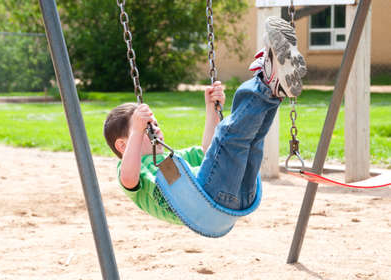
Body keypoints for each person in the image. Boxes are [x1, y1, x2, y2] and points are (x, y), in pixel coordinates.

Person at [103, 17, 306, 225]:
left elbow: (209, 150)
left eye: (154, 124)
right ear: (122, 145)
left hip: (241, 194)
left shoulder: (176, 160)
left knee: (252, 139)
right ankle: (264, 79)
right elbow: (129, 178)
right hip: (209, 203)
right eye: (146, 127)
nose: (155, 129)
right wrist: (137, 132)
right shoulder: (132, 170)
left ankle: (274, 89)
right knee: (229, 137)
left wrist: (211, 109)